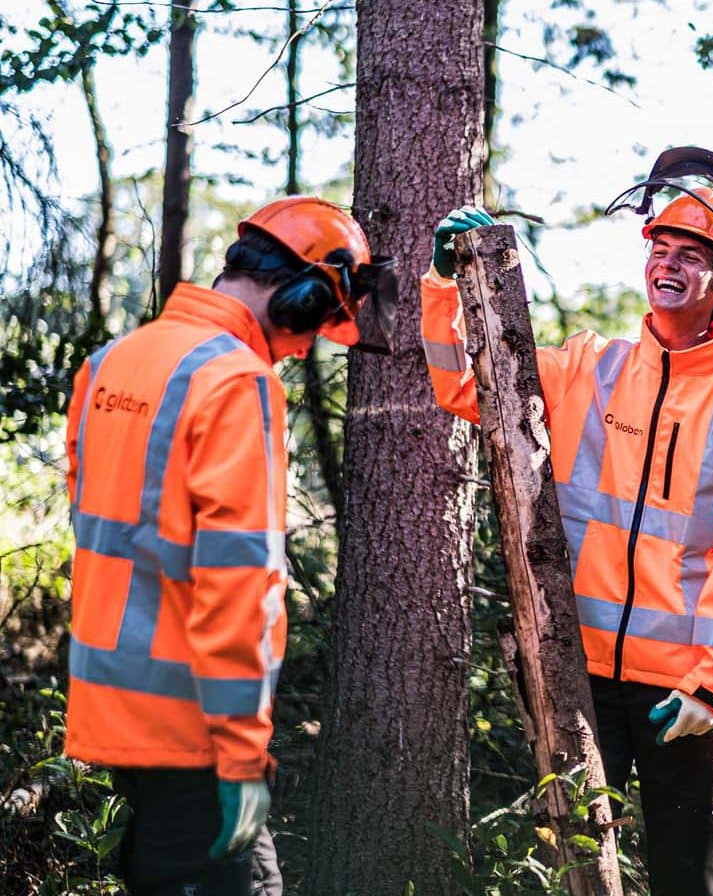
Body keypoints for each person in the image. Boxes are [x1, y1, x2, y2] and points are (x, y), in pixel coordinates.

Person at [420, 148, 713, 896]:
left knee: (691, 882)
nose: (670, 264)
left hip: (684, 695)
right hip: (577, 675)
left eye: (692, 256)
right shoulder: (588, 364)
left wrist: (710, 685)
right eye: (661, 248)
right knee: (575, 876)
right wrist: (443, 285)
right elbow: (467, 386)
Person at [64, 196, 392, 895]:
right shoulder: (237, 382)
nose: (306, 347)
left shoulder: (108, 365)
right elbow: (237, 582)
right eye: (316, 324)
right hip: (192, 722)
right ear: (301, 294)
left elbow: (95, 521)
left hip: (112, 704)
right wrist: (243, 756)